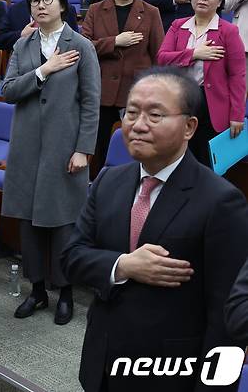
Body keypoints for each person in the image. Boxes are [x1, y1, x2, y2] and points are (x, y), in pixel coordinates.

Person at [62, 70, 248, 392]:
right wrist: (123, 265)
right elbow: (72, 257)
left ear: (189, 127)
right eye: (131, 113)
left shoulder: (221, 201)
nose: (138, 124)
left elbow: (225, 318)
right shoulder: (109, 182)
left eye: (155, 114)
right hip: (103, 360)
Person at [2, 0, 100, 326]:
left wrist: (83, 150)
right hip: (27, 150)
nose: (41, 6)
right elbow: (8, 90)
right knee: (29, 225)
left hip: (65, 150)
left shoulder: (82, 46)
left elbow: (91, 103)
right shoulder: (23, 45)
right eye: (35, 1)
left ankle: (66, 291)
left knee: (63, 226)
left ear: (62, 5)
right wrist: (44, 70)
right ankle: (38, 290)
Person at [81, 0, 164, 177]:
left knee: (133, 151)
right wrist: (114, 42)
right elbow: (83, 48)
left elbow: (159, 56)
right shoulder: (95, 10)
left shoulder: (151, 12)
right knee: (99, 149)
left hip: (136, 93)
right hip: (100, 92)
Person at [156, 0, 245, 167]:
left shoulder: (228, 31)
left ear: (221, 0)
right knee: (176, 162)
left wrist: (237, 116)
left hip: (211, 105)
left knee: (206, 165)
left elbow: (237, 76)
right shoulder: (178, 26)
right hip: (179, 102)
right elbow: (162, 58)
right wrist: (194, 53)